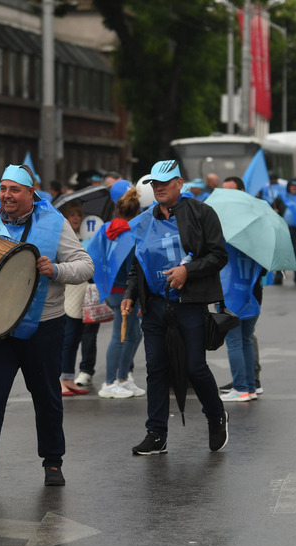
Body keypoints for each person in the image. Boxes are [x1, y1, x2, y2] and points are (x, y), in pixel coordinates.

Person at [0, 163, 93, 490]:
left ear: (32, 193)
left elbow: (85, 266)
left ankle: (53, 462)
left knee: (46, 397)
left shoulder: (54, 222)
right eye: (3, 188)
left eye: (14, 189)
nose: (6, 195)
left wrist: (55, 270)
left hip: (43, 327)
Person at [120, 160, 229, 456]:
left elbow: (219, 255)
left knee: (195, 367)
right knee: (156, 369)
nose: (159, 189)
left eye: (165, 183)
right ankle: (156, 433)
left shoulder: (202, 213)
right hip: (155, 305)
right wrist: (131, 292)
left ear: (179, 184)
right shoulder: (144, 220)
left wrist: (188, 271)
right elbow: (137, 263)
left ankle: (216, 414)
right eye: (155, 184)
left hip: (189, 304)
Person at [84, 183, 145, 399]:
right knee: (121, 336)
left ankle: (122, 378)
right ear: (137, 210)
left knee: (134, 335)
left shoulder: (105, 228)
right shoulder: (133, 233)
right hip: (126, 292)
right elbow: (136, 266)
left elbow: (91, 254)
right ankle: (110, 382)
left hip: (111, 288)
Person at [215, 177, 266, 402]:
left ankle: (241, 387)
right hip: (249, 291)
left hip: (230, 293)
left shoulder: (226, 228)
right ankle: (249, 386)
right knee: (244, 339)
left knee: (235, 340)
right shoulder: (256, 225)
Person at [57, 199, 93, 396]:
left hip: (83, 293)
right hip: (69, 293)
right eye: (73, 215)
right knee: (68, 339)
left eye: (79, 215)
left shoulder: (86, 235)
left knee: (77, 336)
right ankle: (61, 378)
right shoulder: (63, 237)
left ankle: (69, 377)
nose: (77, 218)